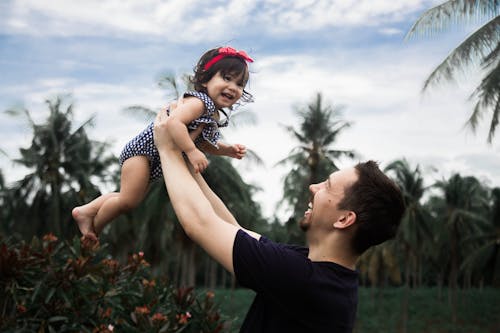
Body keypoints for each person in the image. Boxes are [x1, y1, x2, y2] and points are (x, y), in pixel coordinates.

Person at [153, 103, 406, 333]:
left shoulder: (302, 280)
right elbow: (231, 228)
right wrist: (186, 160)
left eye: (327, 187)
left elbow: (199, 223)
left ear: (344, 219)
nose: (313, 187)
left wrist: (167, 147)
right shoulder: (315, 269)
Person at [72, 46, 254, 240]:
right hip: (142, 153)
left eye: (239, 84)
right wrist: (191, 151)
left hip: (153, 159)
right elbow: (174, 123)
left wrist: (227, 150)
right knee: (128, 201)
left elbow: (204, 142)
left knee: (127, 197)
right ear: (204, 79)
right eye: (226, 78)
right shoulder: (199, 103)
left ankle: (86, 211)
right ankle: (94, 229)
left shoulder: (210, 113)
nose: (234, 87)